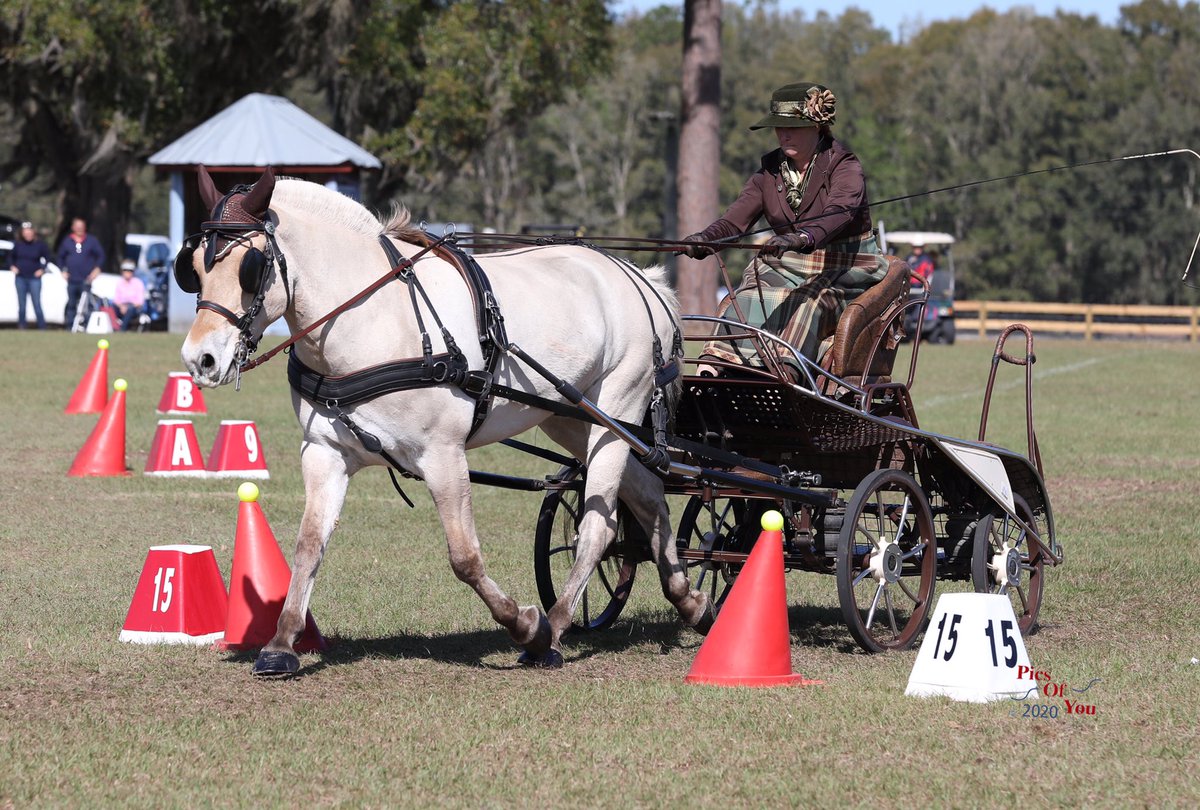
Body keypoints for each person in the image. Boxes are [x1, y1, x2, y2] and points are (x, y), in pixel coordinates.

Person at [681, 82, 888, 374]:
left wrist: (803, 236)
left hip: (846, 267)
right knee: (746, 296)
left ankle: (786, 372)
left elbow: (838, 213)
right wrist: (705, 240)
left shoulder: (844, 166)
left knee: (809, 300)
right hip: (788, 263)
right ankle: (715, 367)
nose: (783, 134)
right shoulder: (769, 171)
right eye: (778, 127)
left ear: (817, 126)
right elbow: (734, 221)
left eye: (793, 127)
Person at [56, 217, 106, 329]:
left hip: (86, 279)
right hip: (72, 279)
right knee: (71, 303)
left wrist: (97, 269)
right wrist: (63, 271)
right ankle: (70, 327)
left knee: (86, 304)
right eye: (77, 226)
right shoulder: (67, 241)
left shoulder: (91, 241)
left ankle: (86, 326)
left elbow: (101, 256)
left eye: (81, 226)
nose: (79, 229)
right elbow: (60, 258)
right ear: (73, 227)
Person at [8, 221, 53, 329]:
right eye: (25, 232)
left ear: (33, 232)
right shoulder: (18, 244)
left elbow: (48, 257)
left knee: (37, 304)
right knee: (22, 305)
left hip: (34, 278)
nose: (28, 234)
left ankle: (42, 327)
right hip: (20, 278)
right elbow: (10, 258)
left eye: (30, 231)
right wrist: (12, 266)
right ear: (22, 233)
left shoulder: (40, 245)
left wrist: (42, 269)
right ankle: (22, 326)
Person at [112, 259, 147, 331]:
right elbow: (116, 300)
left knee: (130, 309)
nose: (127, 272)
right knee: (110, 306)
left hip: (134, 308)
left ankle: (122, 330)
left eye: (130, 270)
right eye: (125, 270)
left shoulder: (138, 283)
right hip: (121, 307)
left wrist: (127, 308)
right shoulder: (119, 283)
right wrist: (122, 306)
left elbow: (140, 302)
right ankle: (113, 327)